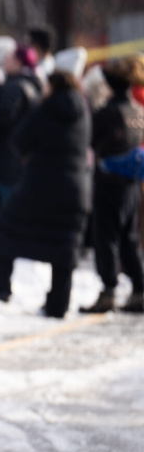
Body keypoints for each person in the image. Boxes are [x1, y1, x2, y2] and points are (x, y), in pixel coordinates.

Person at [0, 71, 92, 318]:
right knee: (65, 245)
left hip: (40, 185)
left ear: (53, 86)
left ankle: (1, 287)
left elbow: (19, 139)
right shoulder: (83, 112)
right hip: (76, 187)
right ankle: (58, 304)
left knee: (4, 229)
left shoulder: (45, 110)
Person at [82, 53, 144, 314]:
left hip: (109, 181)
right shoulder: (137, 111)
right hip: (133, 182)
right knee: (128, 237)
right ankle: (140, 289)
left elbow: (91, 140)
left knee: (105, 237)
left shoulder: (108, 112)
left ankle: (108, 291)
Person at [0, 45, 42, 229]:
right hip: (13, 158)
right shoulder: (30, 84)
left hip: (3, 159)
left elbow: (3, 115)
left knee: (2, 210)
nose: (4, 61)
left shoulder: (15, 87)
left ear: (18, 62)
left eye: (8, 58)